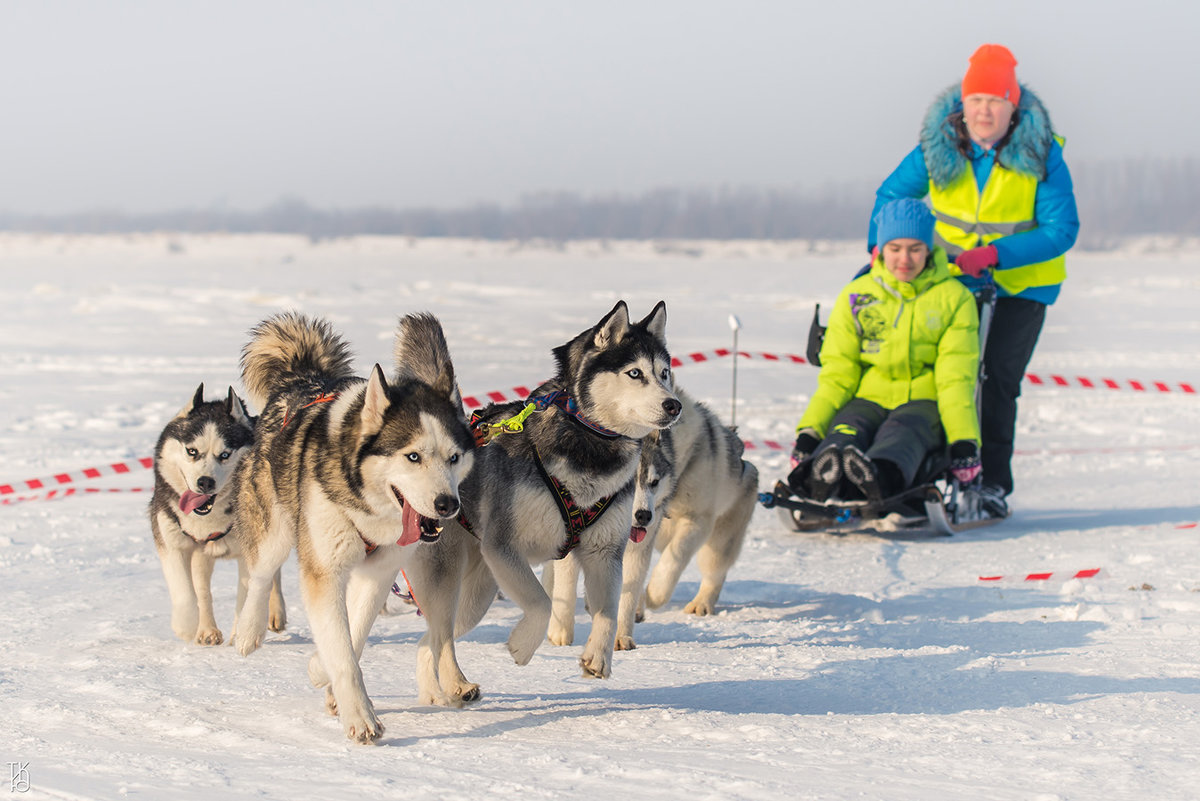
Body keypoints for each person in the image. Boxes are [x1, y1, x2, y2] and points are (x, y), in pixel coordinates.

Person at [867, 43, 1079, 519]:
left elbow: (1061, 229)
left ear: (1013, 106)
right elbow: (891, 196)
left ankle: (992, 485)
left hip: (1023, 288)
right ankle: (925, 473)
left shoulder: (1042, 153)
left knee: (997, 381)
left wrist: (996, 254)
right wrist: (880, 250)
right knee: (947, 375)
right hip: (954, 283)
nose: (984, 110)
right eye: (976, 99)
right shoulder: (937, 146)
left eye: (995, 101)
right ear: (963, 104)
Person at [789, 198, 982, 505]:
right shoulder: (857, 295)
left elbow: (955, 378)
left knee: (901, 435)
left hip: (923, 401)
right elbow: (838, 372)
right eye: (895, 248)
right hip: (867, 397)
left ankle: (877, 478)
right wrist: (810, 431)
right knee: (846, 428)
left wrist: (963, 441)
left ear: (929, 250)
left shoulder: (954, 299)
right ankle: (821, 476)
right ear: (880, 250)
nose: (904, 258)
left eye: (915, 248)